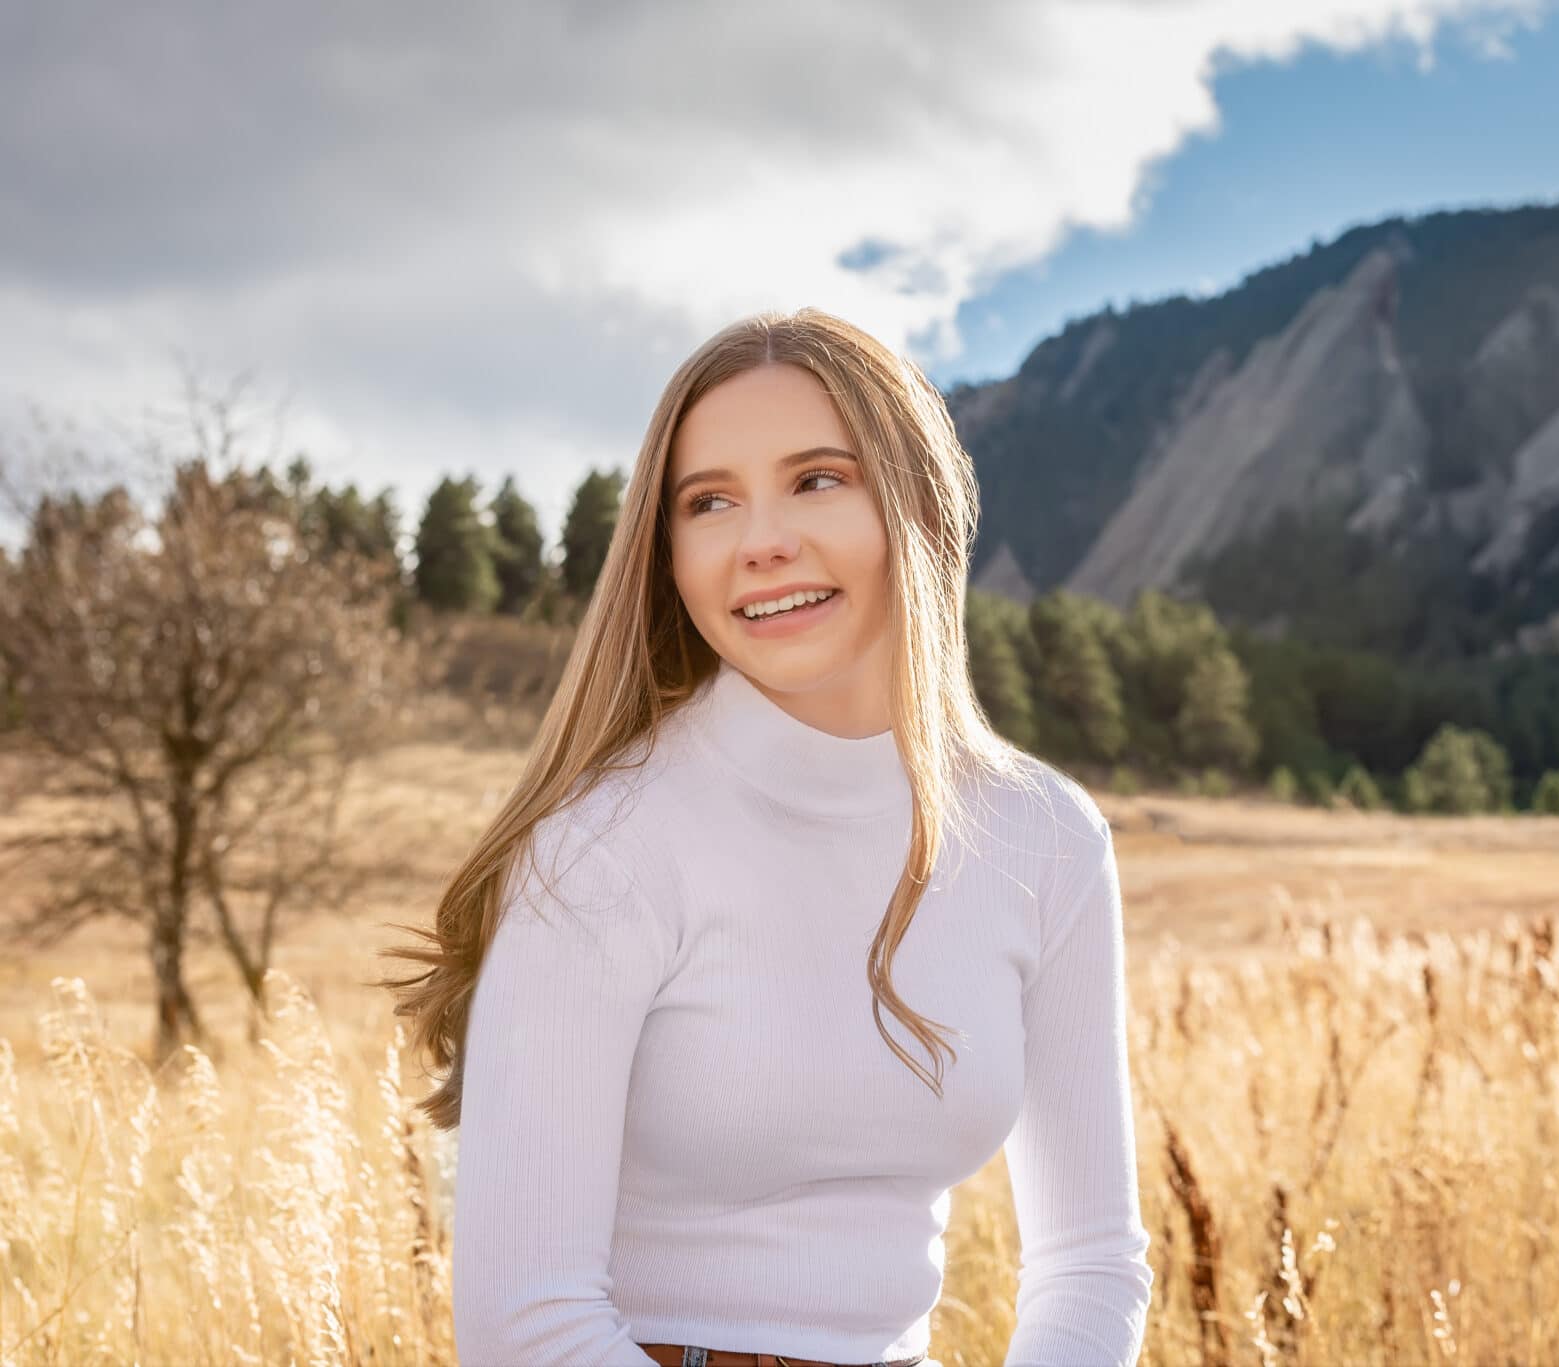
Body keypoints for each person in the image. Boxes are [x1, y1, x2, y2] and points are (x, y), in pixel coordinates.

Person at [378, 307, 1153, 1367]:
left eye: (815, 478)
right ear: (668, 550)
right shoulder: (603, 845)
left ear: (915, 500)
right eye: (709, 502)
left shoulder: (1045, 838)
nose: (760, 541)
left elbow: (1091, 1260)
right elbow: (525, 1323)